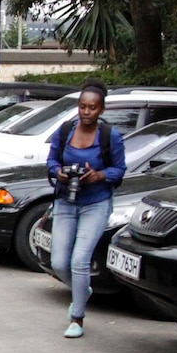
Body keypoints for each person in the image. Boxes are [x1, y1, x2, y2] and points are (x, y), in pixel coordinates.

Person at [46, 78, 125, 339]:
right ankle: (82, 289)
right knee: (58, 262)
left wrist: (98, 175)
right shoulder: (65, 129)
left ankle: (76, 317)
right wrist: (59, 173)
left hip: (96, 203)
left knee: (79, 261)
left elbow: (119, 169)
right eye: (82, 106)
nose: (86, 112)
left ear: (101, 109)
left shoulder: (109, 135)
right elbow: (51, 160)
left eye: (92, 108)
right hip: (66, 201)